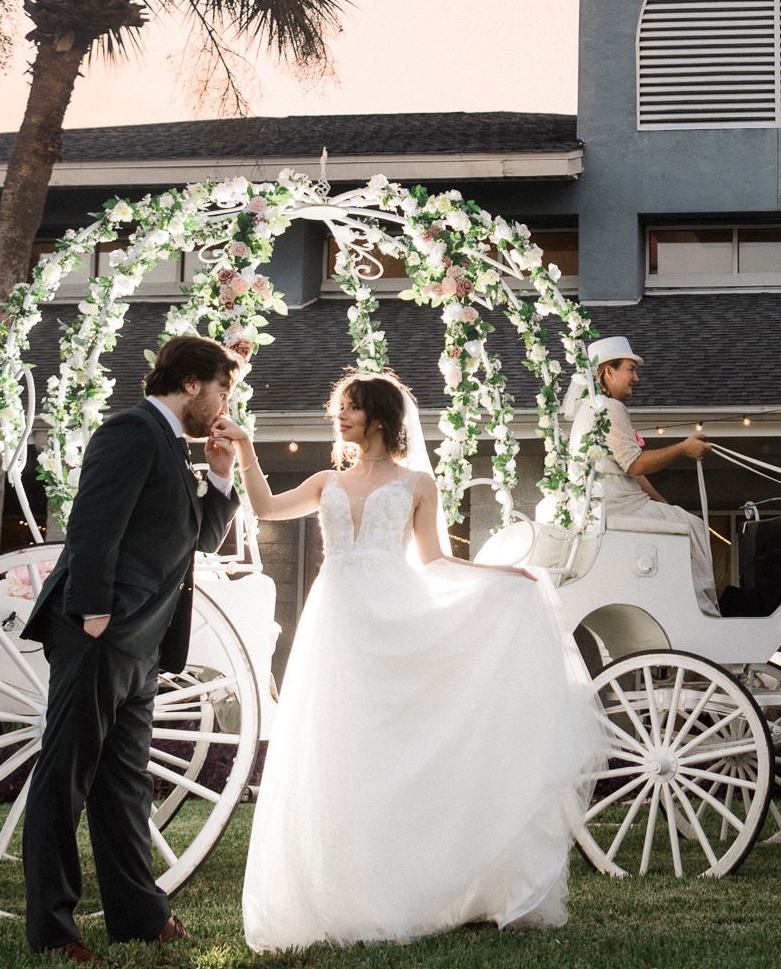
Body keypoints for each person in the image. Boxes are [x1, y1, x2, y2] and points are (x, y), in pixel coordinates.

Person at [225, 371, 603, 951]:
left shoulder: (418, 484)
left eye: (351, 408)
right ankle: (341, 892)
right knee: (337, 743)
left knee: (395, 743)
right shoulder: (327, 481)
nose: (340, 417)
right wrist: (245, 448)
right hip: (336, 621)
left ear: (379, 416)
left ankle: (418, 877)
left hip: (396, 615)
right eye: (339, 408)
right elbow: (266, 507)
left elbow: (434, 560)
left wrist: (502, 577)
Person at [20, 335, 244, 963]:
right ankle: (53, 931)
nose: (225, 405)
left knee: (124, 785)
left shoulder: (172, 446)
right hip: (101, 633)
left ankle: (140, 917)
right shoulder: (132, 430)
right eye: (223, 389)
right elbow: (93, 525)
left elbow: (198, 539)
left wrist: (221, 475)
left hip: (142, 644)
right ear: (193, 384)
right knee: (65, 778)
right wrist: (94, 614)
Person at [574, 336, 719, 616]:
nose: (636, 378)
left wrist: (663, 503)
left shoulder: (589, 409)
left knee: (680, 517)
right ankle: (701, 610)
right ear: (609, 372)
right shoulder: (610, 408)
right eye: (630, 369)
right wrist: (683, 449)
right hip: (619, 506)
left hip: (610, 504)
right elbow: (635, 465)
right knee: (695, 527)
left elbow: (628, 467)